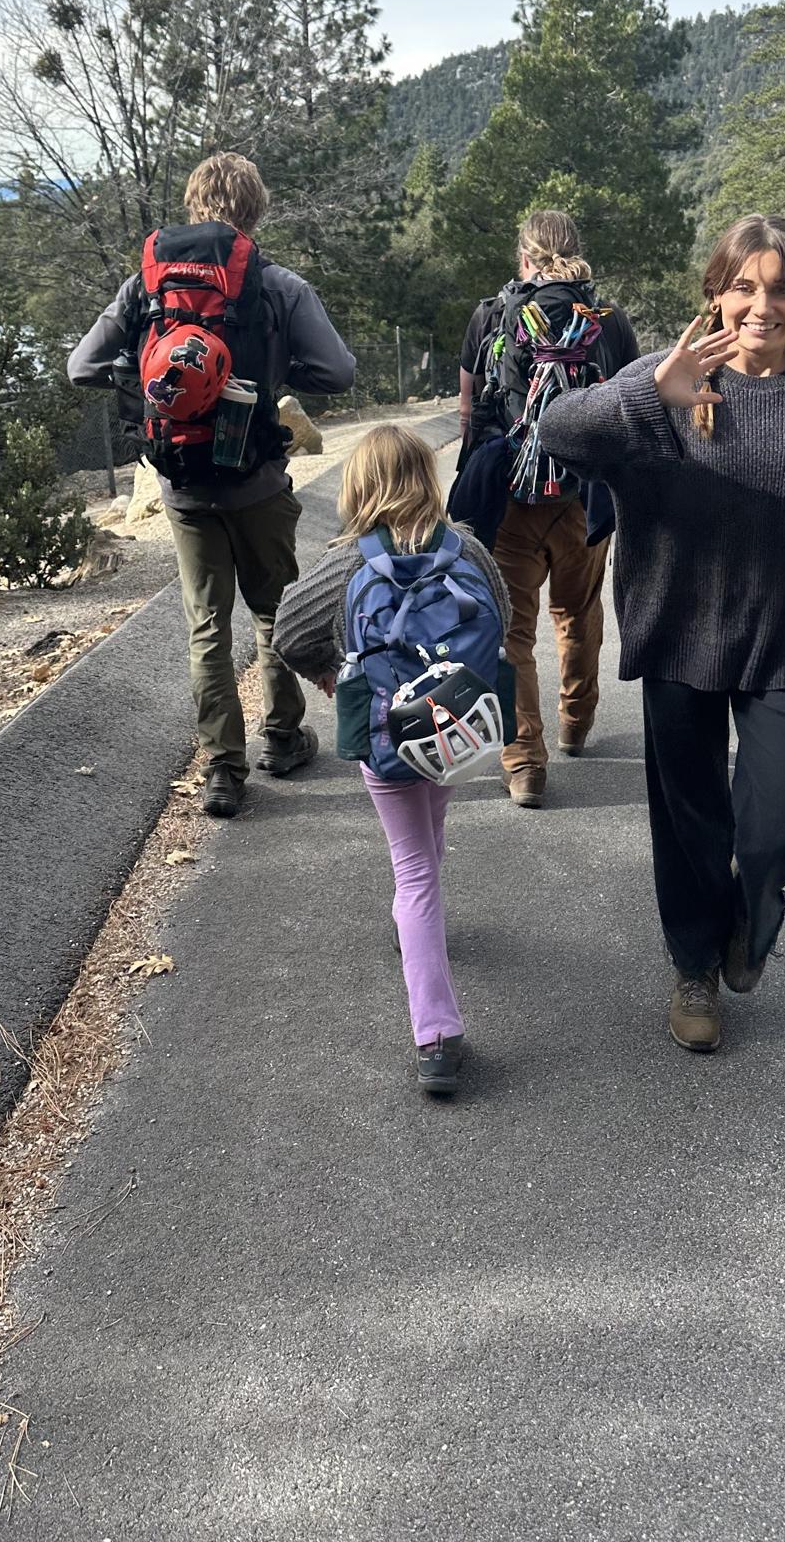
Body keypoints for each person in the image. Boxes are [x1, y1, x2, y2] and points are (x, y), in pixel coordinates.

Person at [537, 213, 785, 1054]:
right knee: (689, 819)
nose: (762, 306)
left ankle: (750, 918)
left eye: (781, 289)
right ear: (716, 293)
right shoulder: (666, 373)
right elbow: (555, 432)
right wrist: (648, 393)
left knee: (784, 821)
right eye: (744, 287)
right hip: (679, 625)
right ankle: (694, 966)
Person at [69, 153, 355, 818]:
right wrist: (279, 374)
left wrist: (139, 382)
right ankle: (282, 740)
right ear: (254, 209)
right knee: (273, 612)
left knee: (206, 626)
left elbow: (81, 365)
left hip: (181, 486)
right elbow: (338, 371)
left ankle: (223, 771)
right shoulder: (274, 282)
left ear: (194, 203)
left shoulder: (146, 283)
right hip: (257, 479)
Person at [272, 426, 512, 1095]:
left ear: (359, 485)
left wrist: (333, 675)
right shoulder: (465, 546)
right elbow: (507, 615)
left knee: (413, 872)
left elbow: (288, 630)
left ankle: (435, 1035)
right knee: (427, 845)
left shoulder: (348, 560)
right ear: (425, 477)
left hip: (385, 734)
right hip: (455, 731)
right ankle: (418, 936)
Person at [457, 208, 639, 807]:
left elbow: (469, 411)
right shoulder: (607, 323)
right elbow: (631, 406)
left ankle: (524, 761)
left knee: (512, 628)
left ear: (524, 257)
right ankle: (576, 722)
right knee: (578, 610)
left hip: (511, 496)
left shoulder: (491, 314)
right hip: (585, 497)